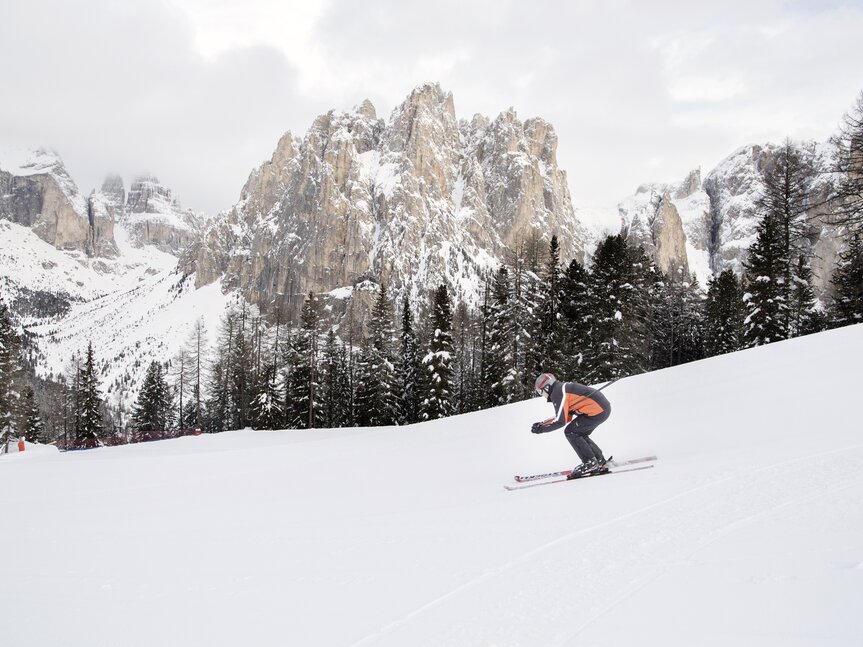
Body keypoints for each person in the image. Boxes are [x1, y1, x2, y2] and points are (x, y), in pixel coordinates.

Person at [530, 373, 611, 478]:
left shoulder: (557, 392)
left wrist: (541, 429)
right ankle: (599, 459)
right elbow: (565, 416)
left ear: (547, 387)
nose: (541, 394)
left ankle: (590, 463)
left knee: (571, 432)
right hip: (601, 408)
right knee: (578, 432)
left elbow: (561, 421)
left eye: (540, 391)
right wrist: (543, 424)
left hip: (597, 410)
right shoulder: (560, 389)